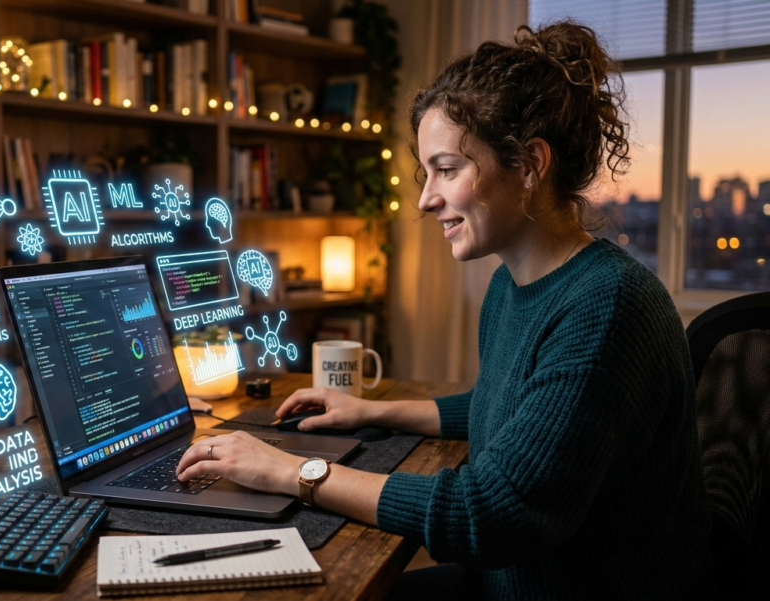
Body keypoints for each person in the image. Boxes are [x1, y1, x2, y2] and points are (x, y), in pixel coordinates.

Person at [176, 20, 711, 599]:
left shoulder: (607, 309)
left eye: (447, 169)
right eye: (426, 172)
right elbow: (506, 406)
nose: (426, 199)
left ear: (530, 164)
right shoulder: (515, 284)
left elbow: (490, 515)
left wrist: (291, 471)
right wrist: (368, 410)